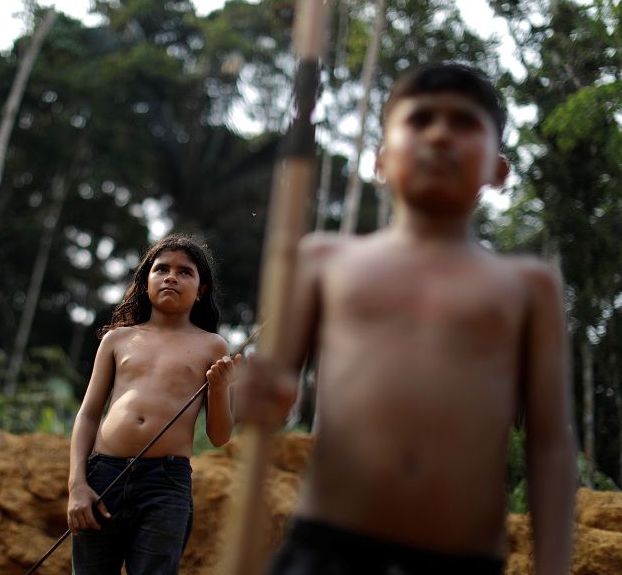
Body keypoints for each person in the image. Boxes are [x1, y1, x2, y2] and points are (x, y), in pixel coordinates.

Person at [236, 63, 575, 575]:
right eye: (419, 120)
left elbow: (549, 442)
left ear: (498, 170)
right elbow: (268, 398)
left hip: (462, 560)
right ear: (381, 160)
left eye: (464, 123)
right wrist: (254, 393)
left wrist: (552, 566)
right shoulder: (325, 260)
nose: (440, 134)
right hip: (327, 548)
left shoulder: (528, 287)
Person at [67, 234, 239, 575]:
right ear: (146, 281)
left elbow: (220, 436)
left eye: (185, 272)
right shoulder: (118, 339)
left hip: (166, 483)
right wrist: (77, 485)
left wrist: (219, 389)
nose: (171, 277)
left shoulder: (212, 346)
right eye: (161, 269)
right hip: (104, 475)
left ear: (201, 289)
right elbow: (88, 414)